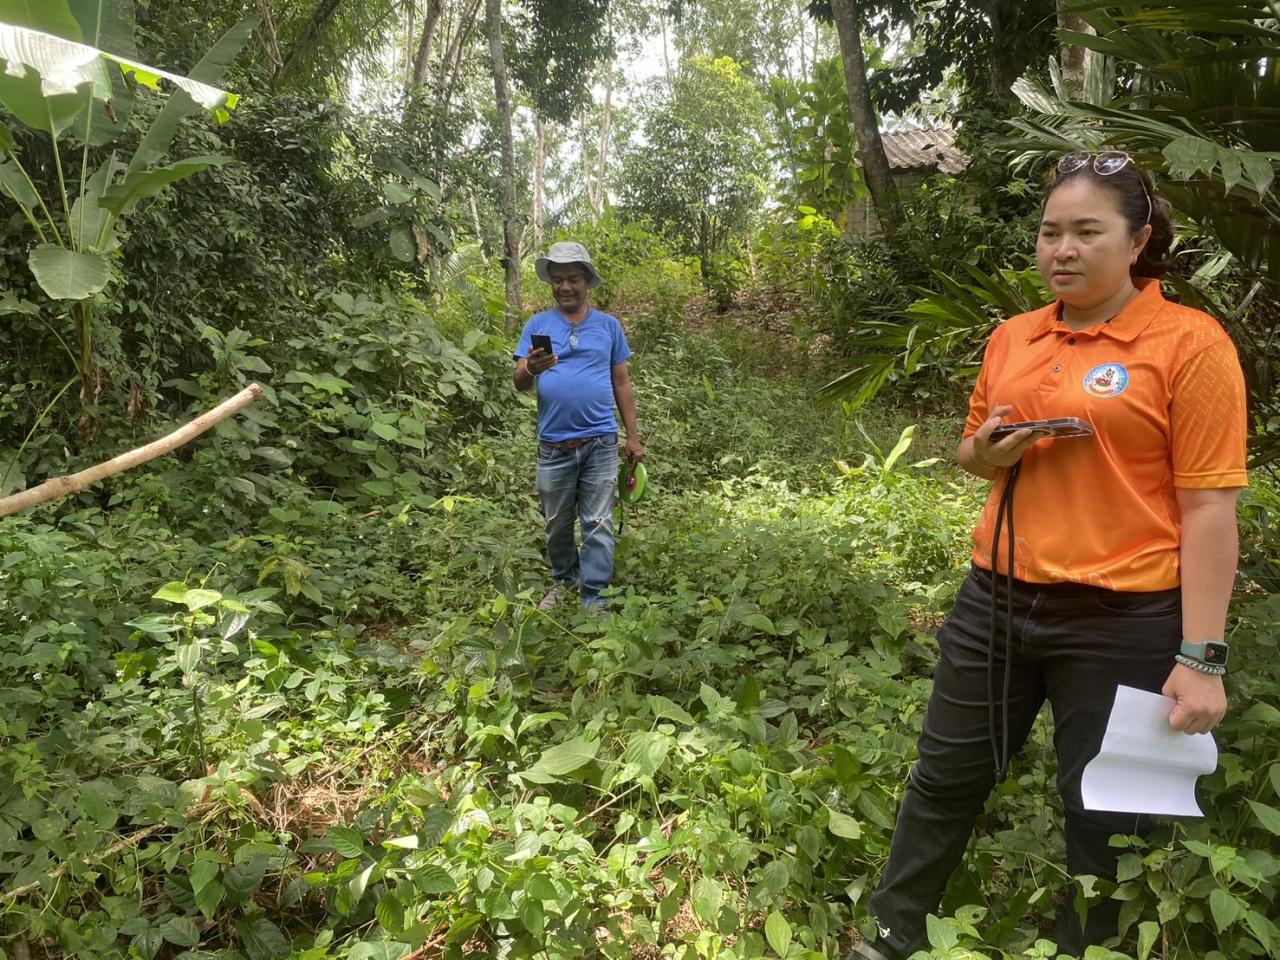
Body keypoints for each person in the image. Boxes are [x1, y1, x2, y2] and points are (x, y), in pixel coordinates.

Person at [851, 152, 1248, 959]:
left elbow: (1209, 508)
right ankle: (890, 936)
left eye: (1086, 232)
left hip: (1124, 617)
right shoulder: (1013, 337)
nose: (1061, 250)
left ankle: (1086, 950)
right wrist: (992, 450)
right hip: (996, 600)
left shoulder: (1189, 345)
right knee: (944, 779)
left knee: (1105, 810)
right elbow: (971, 450)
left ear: (1136, 241)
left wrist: (1202, 656)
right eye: (1049, 232)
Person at [513, 241, 645, 610]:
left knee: (598, 521)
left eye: (572, 278)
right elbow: (519, 381)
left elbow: (621, 382)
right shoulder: (537, 325)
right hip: (553, 445)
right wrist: (531, 368)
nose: (565, 287)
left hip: (600, 442)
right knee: (557, 523)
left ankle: (595, 597)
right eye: (558, 280)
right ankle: (564, 582)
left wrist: (632, 436)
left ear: (587, 281)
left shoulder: (608, 326)